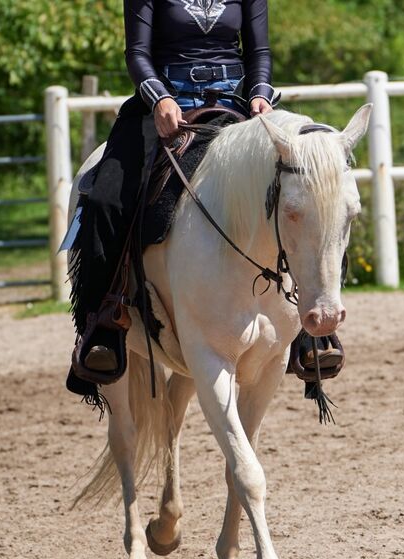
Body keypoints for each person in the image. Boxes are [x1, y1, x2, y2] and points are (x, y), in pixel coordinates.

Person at [69, 0, 276, 380]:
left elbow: (259, 51)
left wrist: (260, 94)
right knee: (104, 198)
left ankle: (310, 329)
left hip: (236, 104)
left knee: (301, 179)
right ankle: (103, 321)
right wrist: (159, 97)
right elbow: (137, 53)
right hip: (164, 106)